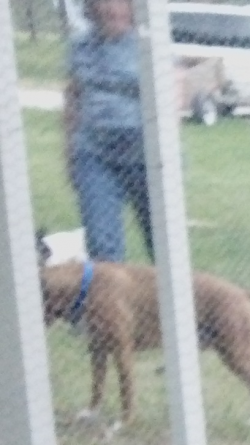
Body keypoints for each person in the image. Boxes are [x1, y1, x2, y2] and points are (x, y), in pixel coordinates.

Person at [65, 0, 152, 263]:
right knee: (103, 246)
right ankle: (112, 301)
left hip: (144, 156)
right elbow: (73, 97)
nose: (110, 9)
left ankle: (169, 301)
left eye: (118, 3)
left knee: (162, 239)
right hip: (95, 155)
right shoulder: (80, 47)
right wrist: (69, 150)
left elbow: (174, 94)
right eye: (103, 2)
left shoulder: (148, 46)